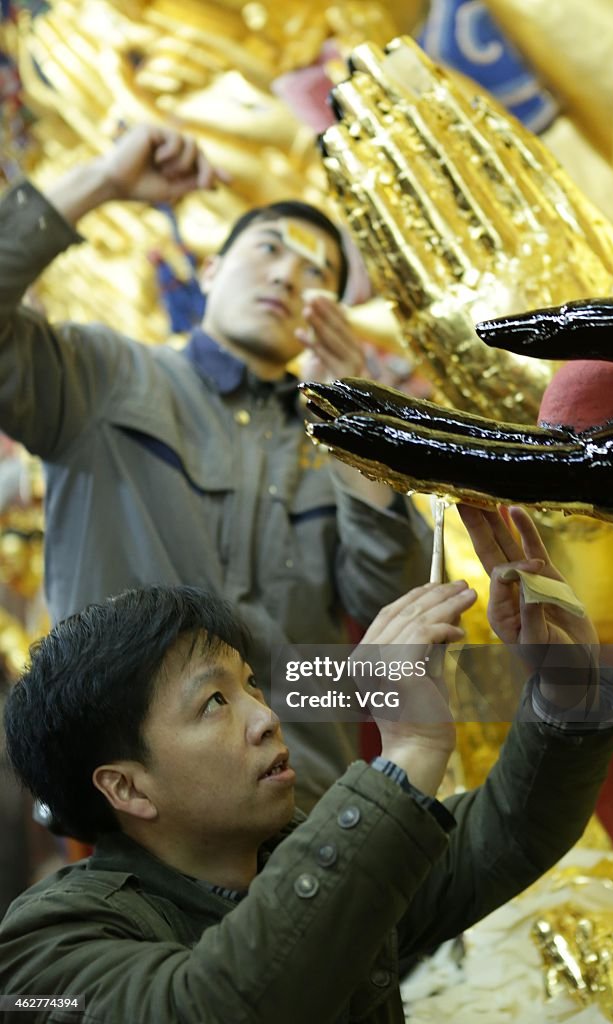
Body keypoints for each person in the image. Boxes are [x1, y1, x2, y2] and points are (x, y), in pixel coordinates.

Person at [0, 504, 613, 1023]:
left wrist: (564, 685)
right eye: (214, 701)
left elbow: (507, 836)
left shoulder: (289, 850)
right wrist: (406, 750)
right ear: (126, 788)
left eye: (251, 686)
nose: (265, 716)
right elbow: (208, 1007)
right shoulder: (48, 949)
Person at [0, 124, 432, 810]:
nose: (288, 275)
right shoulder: (106, 375)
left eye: (316, 271)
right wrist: (105, 180)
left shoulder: (335, 447)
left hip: (303, 813)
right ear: (210, 270)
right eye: (268, 249)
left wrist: (356, 430)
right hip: (131, 806)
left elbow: (393, 617)